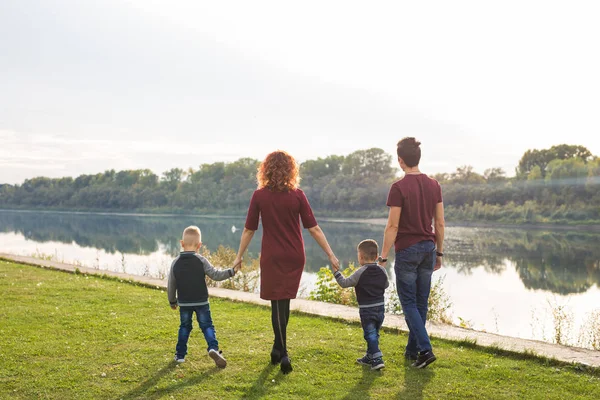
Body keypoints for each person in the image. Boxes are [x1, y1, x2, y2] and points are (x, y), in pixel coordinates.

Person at [234, 150, 339, 374]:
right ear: (292, 170)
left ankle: (283, 353)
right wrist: (330, 254)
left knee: (277, 303)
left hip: (272, 255)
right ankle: (277, 349)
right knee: (285, 302)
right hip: (294, 255)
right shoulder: (298, 195)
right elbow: (314, 228)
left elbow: (248, 229)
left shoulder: (259, 196)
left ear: (265, 170)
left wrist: (238, 256)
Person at [379, 137, 445, 369]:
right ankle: (412, 350)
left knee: (408, 303)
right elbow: (440, 223)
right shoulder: (434, 185)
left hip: (408, 250)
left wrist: (383, 256)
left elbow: (393, 226)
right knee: (420, 302)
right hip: (428, 248)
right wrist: (439, 253)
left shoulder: (398, 188)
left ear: (400, 160)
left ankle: (425, 349)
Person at [167, 225, 241, 367]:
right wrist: (231, 271)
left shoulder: (175, 262)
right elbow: (216, 275)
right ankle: (213, 348)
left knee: (184, 327)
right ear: (199, 245)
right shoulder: (201, 260)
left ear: (181, 243)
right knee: (207, 326)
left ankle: (180, 355)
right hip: (201, 302)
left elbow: (171, 284)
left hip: (184, 303)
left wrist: (172, 301)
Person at [333, 239, 389, 371]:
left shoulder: (360, 272)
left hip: (367, 310)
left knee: (370, 334)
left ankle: (377, 359)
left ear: (361, 257)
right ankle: (370, 356)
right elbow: (386, 285)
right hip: (380, 308)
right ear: (376, 256)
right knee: (374, 333)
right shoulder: (382, 270)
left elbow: (345, 283)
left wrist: (336, 273)